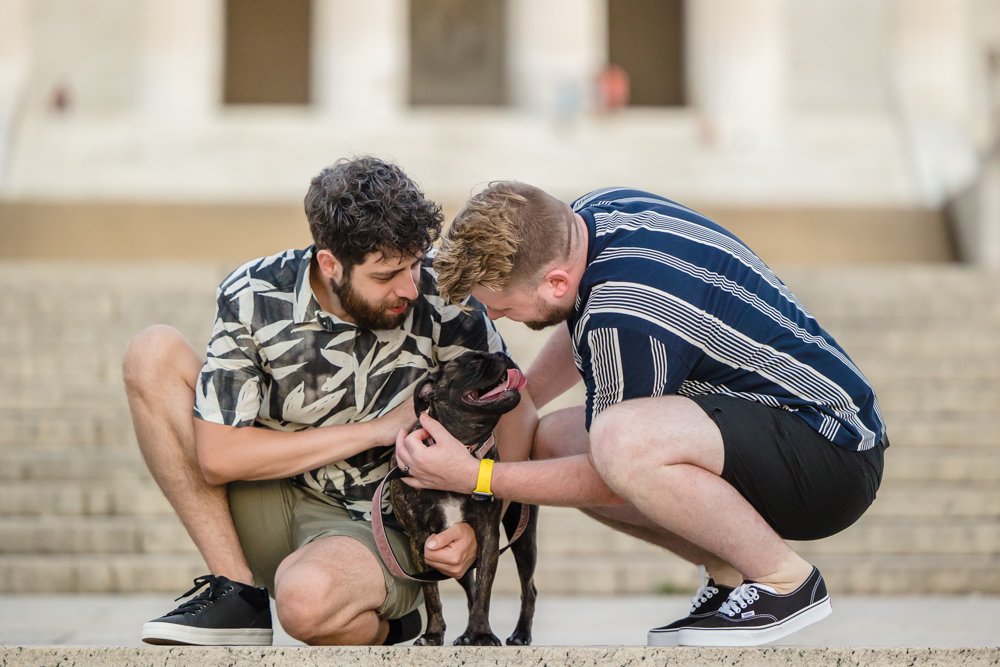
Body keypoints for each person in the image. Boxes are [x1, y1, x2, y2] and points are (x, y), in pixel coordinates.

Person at [395, 183, 888, 647]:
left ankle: (784, 582)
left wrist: (477, 477)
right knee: (558, 440)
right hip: (784, 427)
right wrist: (519, 396)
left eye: (503, 308)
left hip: (831, 456)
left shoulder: (623, 317)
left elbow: (615, 474)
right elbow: (581, 320)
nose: (501, 319)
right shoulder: (595, 217)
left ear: (554, 280)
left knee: (620, 441)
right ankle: (729, 574)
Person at [122, 157, 534, 646]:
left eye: (415, 265)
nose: (409, 287)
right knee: (153, 353)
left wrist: (475, 520)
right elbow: (216, 457)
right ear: (330, 264)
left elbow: (517, 409)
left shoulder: (444, 301)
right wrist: (376, 429)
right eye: (386, 275)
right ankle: (237, 594)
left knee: (308, 604)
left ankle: (393, 617)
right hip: (264, 496)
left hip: (382, 522)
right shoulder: (255, 294)